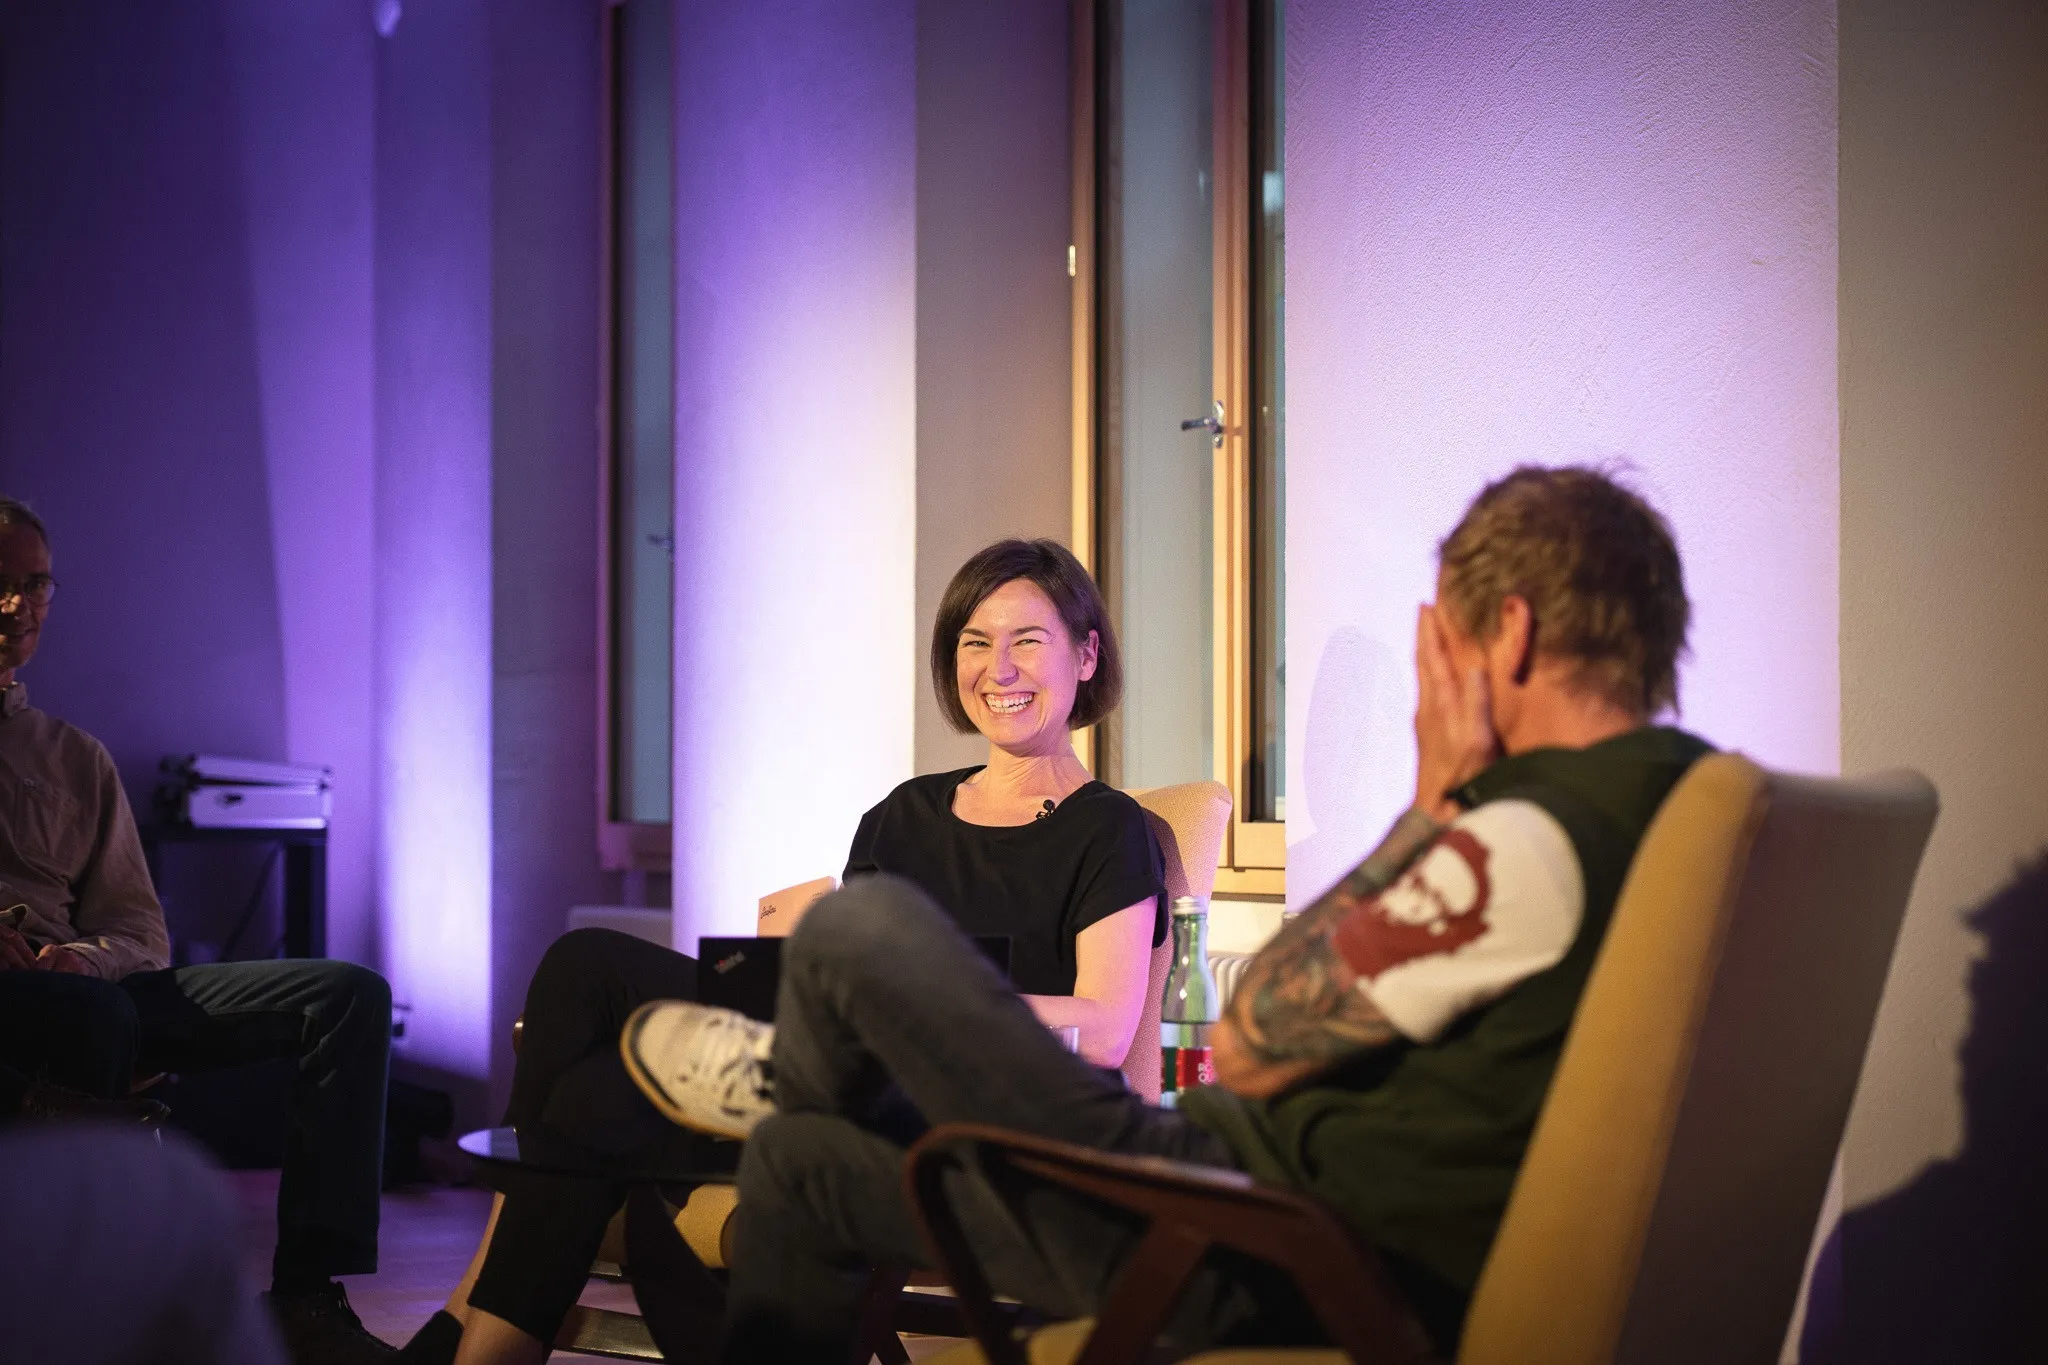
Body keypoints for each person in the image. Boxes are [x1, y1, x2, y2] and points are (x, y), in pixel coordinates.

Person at [622, 464, 1712, 1362]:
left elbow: (1246, 1040)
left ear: (1508, 635)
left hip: (1214, 1229)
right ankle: (807, 1084)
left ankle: (799, 1066)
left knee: (862, 931)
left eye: (1447, 639)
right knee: (798, 1166)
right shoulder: (1667, 807)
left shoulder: (1513, 841)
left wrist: (1428, 805)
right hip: (1237, 1207)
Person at [399, 538, 1164, 1365]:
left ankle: (473, 1315)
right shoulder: (903, 813)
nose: (998, 668)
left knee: (591, 1099)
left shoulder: (1108, 829)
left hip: (952, 1098)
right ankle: (487, 1319)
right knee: (589, 968)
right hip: (831, 1062)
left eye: (1028, 641)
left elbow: (1107, 1025)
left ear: (1086, 656)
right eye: (975, 642)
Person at [0, 498, 396, 1365]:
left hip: (88, 982)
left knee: (349, 995)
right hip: (23, 998)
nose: (17, 607)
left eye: (34, 586)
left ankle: (305, 1296)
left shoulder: (73, 756)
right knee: (90, 1023)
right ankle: (93, 1311)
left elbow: (139, 927)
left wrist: (86, 957)